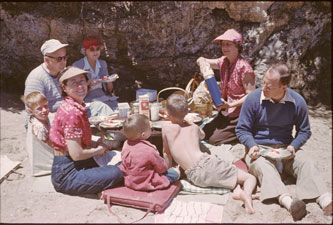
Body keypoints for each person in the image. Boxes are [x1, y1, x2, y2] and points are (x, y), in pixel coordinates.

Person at [235, 63, 332, 220]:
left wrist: (294, 146)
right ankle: (288, 202)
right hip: (258, 148)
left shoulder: (297, 101)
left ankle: (326, 200)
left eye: (270, 86)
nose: (264, 88)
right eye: (263, 82)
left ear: (284, 87)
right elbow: (242, 129)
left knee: (306, 162)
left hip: (286, 148)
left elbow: (304, 131)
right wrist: (251, 145)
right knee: (262, 166)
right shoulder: (253, 98)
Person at [162, 94, 257, 214]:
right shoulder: (193, 128)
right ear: (187, 112)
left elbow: (166, 153)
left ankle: (237, 191)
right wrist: (190, 123)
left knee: (225, 177)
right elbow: (203, 136)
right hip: (207, 163)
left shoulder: (166, 128)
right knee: (250, 178)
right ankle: (246, 194)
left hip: (194, 176)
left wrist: (169, 170)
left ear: (168, 113)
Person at [49, 66, 123, 196]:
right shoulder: (72, 112)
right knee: (118, 172)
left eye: (82, 81)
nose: (80, 86)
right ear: (64, 88)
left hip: (74, 163)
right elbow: (77, 154)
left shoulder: (75, 106)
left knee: (120, 156)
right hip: (67, 174)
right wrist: (99, 150)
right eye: (74, 83)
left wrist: (96, 145)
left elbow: (75, 143)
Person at [24, 39, 114, 126]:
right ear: (47, 60)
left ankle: (114, 135)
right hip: (52, 118)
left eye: (65, 57)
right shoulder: (36, 78)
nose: (63, 62)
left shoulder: (63, 73)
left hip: (71, 111)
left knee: (100, 107)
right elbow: (32, 111)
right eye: (59, 59)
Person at [196, 29, 256, 145]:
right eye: (223, 44)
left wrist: (231, 105)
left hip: (240, 114)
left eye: (228, 44)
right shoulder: (223, 61)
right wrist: (202, 61)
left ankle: (244, 132)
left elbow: (251, 96)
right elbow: (201, 60)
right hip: (225, 111)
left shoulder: (244, 67)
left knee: (214, 140)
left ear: (237, 46)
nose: (224, 47)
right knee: (203, 133)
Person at [119, 114, 179, 191]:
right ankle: (176, 173)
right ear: (143, 134)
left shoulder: (126, 144)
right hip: (147, 182)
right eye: (150, 128)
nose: (151, 129)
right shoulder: (149, 150)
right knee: (174, 173)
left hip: (130, 181)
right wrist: (173, 170)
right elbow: (162, 168)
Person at [73, 36, 118, 110]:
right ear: (85, 51)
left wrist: (109, 81)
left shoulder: (103, 64)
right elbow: (75, 90)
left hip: (102, 96)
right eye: (91, 49)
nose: (95, 52)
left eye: (97, 49)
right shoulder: (78, 65)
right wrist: (88, 84)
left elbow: (109, 91)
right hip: (86, 98)